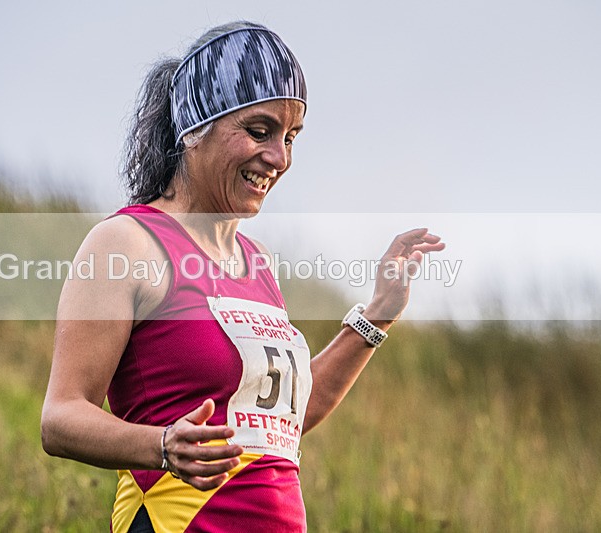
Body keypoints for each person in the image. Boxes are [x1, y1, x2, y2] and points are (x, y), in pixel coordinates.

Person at [41, 20, 444, 532]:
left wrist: (375, 317)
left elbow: (281, 420)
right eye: (259, 131)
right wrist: (161, 446)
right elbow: (60, 418)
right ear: (194, 128)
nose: (280, 158)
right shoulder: (127, 242)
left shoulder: (258, 263)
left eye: (291, 136)